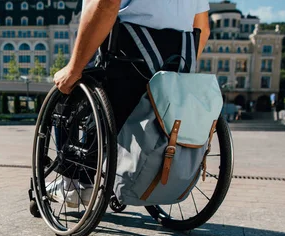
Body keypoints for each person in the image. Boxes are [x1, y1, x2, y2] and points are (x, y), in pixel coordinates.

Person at [47, 0, 211, 207]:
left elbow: (106, 6)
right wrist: (179, 78)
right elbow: (202, 28)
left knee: (68, 95)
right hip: (178, 59)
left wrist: (73, 68)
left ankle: (75, 182)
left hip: (129, 54)